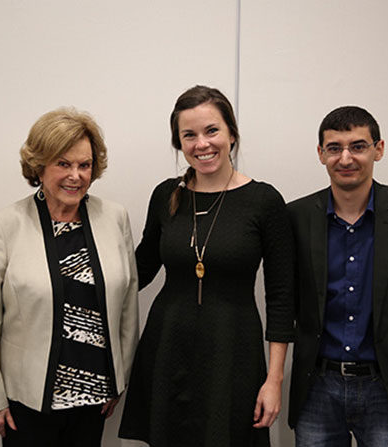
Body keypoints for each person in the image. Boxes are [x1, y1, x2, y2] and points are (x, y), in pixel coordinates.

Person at [118, 85, 295, 446]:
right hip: (168, 347)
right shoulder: (166, 195)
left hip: (233, 353)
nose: (202, 144)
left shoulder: (264, 200)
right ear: (178, 143)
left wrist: (274, 380)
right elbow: (140, 268)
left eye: (212, 130)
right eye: (189, 135)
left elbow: (281, 296)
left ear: (232, 133)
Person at [0, 107, 139, 446]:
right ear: (39, 165)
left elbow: (127, 307)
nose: (75, 175)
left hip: (94, 398)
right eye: (63, 163)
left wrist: (116, 379)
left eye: (84, 165)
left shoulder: (115, 218)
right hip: (27, 401)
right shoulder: (5, 225)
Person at [287, 105, 388, 447]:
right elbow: (289, 298)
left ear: (379, 149)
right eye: (334, 148)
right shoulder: (296, 217)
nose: (346, 158)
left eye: (357, 146)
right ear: (320, 154)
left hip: (386, 389)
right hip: (317, 387)